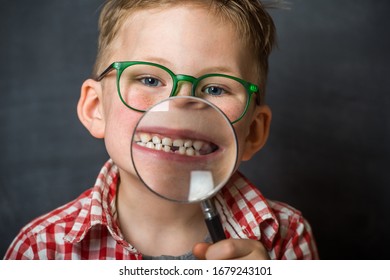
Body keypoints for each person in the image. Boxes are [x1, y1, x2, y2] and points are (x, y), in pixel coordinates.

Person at [4, 0, 318, 260]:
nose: (180, 103)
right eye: (150, 80)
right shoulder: (41, 249)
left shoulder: (284, 236)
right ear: (95, 108)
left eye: (216, 88)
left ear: (252, 133)